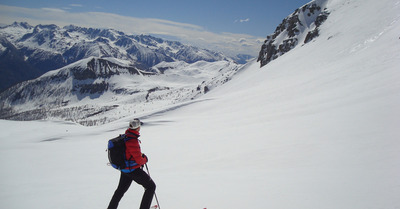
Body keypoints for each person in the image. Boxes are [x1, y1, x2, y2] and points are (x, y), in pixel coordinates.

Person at [108, 118, 156, 209]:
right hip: (132, 170)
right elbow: (139, 160)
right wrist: (145, 159)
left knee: (120, 191)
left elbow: (131, 153)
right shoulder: (132, 140)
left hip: (125, 169)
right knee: (151, 187)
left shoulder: (127, 136)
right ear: (138, 128)